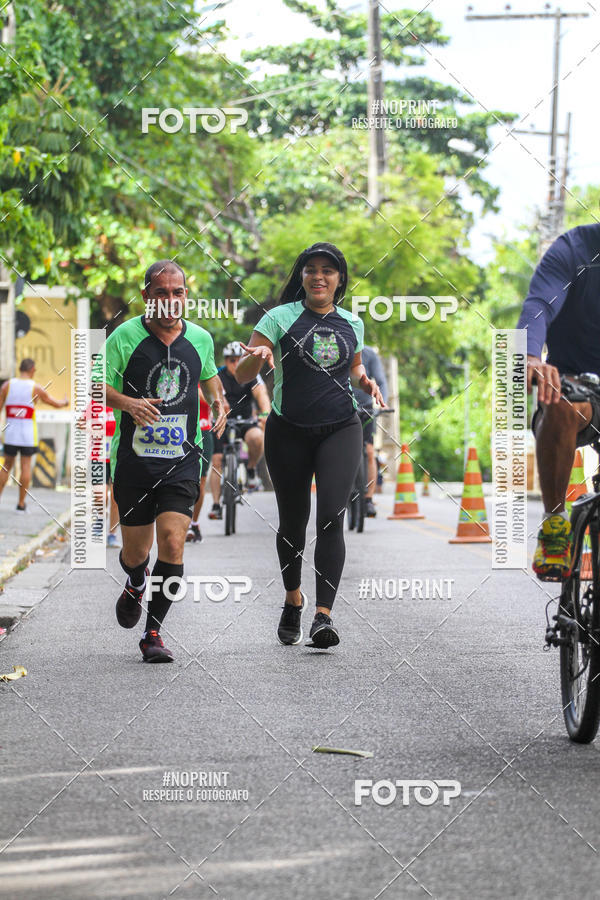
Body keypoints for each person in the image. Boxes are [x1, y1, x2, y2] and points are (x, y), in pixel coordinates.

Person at [235, 241, 385, 648]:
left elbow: (353, 368)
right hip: (288, 430)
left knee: (331, 518)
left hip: (341, 427)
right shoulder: (279, 318)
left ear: (340, 280)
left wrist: (365, 381)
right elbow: (243, 372)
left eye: (328, 270)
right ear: (301, 277)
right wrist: (259, 354)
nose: (319, 276)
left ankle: (323, 616)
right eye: (310, 269)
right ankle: (292, 600)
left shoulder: (352, 323)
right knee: (292, 522)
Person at [92, 260, 226, 662]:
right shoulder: (124, 337)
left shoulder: (201, 337)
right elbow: (94, 387)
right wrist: (129, 402)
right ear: (147, 296)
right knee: (136, 553)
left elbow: (209, 375)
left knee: (172, 541)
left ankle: (153, 633)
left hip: (182, 461)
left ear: (186, 295)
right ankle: (135, 580)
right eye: (161, 292)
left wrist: (218, 398)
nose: (170, 300)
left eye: (178, 292)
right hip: (134, 462)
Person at [517, 223, 600, 580]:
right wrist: (532, 356)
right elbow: (538, 305)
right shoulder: (573, 248)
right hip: (575, 382)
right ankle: (554, 523)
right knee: (560, 401)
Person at [208, 341, 271, 519]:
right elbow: (208, 390)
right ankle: (215, 505)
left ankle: (251, 469)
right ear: (226, 361)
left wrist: (265, 413)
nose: (235, 364)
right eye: (231, 360)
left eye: (239, 360)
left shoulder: (251, 376)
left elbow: (262, 396)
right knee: (217, 460)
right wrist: (217, 403)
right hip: (222, 420)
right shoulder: (218, 375)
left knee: (258, 437)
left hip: (245, 421)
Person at [0, 358, 68, 511]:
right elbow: (54, 403)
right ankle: (21, 503)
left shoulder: (7, 385)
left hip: (10, 433)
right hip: (27, 435)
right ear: (32, 370)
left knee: (6, 466)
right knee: (25, 467)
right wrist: (64, 402)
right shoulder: (35, 388)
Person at [352, 345, 389, 517]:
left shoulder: (369, 354)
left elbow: (380, 381)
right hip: (343, 408)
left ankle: (368, 499)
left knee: (369, 450)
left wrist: (383, 402)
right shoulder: (338, 349)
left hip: (366, 409)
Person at [186, 385, 213, 543]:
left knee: (201, 483)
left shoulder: (205, 378)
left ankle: (193, 523)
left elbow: (212, 400)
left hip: (203, 431)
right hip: (184, 431)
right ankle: (183, 521)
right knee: (186, 480)